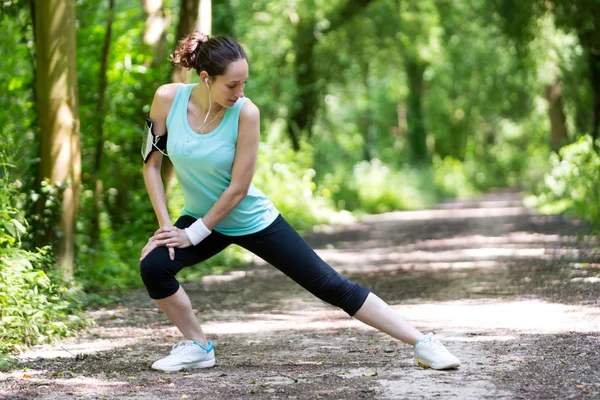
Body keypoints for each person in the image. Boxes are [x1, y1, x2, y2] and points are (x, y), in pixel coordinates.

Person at [139, 31, 460, 372]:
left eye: (244, 83)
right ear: (205, 78)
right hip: (200, 218)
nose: (241, 93)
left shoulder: (246, 113)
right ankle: (199, 346)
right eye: (232, 85)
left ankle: (423, 343)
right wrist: (166, 228)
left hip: (249, 218)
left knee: (331, 286)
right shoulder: (167, 99)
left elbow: (238, 188)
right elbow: (151, 164)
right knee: (155, 266)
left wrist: (193, 234)